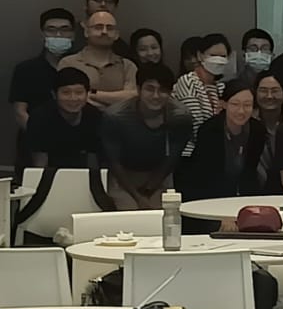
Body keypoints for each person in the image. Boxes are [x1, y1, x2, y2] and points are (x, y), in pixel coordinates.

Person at [100, 63, 189, 208]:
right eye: (150, 89)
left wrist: (148, 190)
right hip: (123, 175)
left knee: (162, 215)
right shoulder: (115, 116)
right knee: (128, 211)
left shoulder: (180, 116)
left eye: (163, 90)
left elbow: (172, 157)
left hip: (160, 174)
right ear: (138, 89)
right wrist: (137, 197)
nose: (156, 96)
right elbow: (114, 162)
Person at [179, 78, 268, 202]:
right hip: (209, 194)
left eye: (247, 105)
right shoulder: (209, 130)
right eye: (235, 104)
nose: (241, 111)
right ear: (224, 104)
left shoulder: (257, 130)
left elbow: (250, 171)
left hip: (245, 193)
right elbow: (203, 174)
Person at [9, 6, 78, 135]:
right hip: (35, 140)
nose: (58, 35)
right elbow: (20, 112)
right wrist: (41, 137)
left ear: (73, 35)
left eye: (64, 30)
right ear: (42, 35)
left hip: (77, 140)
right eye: (51, 30)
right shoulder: (25, 70)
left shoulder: (81, 67)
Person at [25, 66, 107, 169]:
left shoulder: (94, 116)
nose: (73, 98)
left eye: (79, 92)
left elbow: (94, 159)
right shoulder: (40, 118)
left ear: (87, 94)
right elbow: (40, 163)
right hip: (49, 169)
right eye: (66, 93)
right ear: (54, 94)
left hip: (81, 170)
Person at [62, 9, 139, 112]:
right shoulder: (68, 63)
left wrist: (92, 93)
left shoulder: (128, 66)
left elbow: (132, 98)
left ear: (116, 34)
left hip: (119, 122)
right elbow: (68, 99)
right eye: (98, 27)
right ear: (86, 32)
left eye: (110, 28)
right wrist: (113, 102)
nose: (104, 32)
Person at [171, 32, 232, 155]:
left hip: (214, 151)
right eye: (213, 55)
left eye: (223, 56)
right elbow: (195, 125)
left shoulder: (220, 87)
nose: (218, 60)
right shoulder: (188, 81)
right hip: (190, 153)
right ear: (200, 55)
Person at [250, 70, 283, 187]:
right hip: (255, 187)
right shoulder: (247, 121)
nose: (269, 96)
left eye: (275, 91)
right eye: (263, 90)